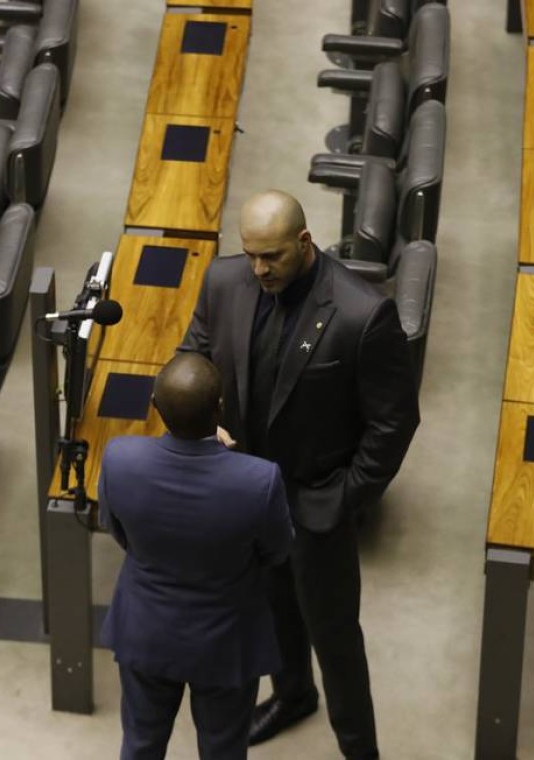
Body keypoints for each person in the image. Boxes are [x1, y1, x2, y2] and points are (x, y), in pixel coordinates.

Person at [179, 190, 420, 758]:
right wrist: (201, 421)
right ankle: (292, 697)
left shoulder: (363, 313)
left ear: (305, 243)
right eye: (251, 255)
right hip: (247, 497)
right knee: (271, 609)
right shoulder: (223, 282)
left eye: (273, 258)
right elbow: (194, 355)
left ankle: (360, 749)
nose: (258, 270)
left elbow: (394, 424)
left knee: (335, 639)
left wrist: (342, 498)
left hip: (315, 504)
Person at [99, 352, 295, 760]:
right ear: (220, 407)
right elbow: (276, 551)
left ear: (155, 407)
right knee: (223, 750)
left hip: (146, 631)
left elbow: (116, 530)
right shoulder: (258, 480)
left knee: (140, 744)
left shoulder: (119, 458)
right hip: (226, 641)